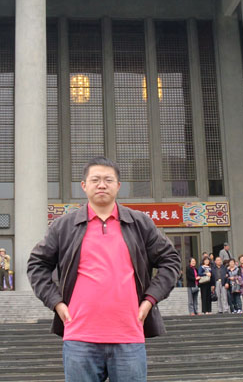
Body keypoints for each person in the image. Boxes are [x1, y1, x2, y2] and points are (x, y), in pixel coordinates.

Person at [27, 156, 181, 382]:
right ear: (84, 185)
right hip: (80, 337)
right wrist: (56, 302)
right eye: (95, 180)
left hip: (128, 336)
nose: (102, 185)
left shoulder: (139, 223)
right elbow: (37, 264)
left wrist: (150, 300)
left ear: (118, 186)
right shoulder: (64, 226)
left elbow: (171, 260)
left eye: (108, 180)